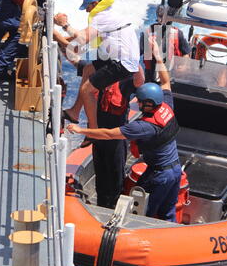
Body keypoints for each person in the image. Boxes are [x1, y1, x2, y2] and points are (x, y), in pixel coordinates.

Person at [67, 36, 182, 222]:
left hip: (160, 173)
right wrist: (158, 56)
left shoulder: (144, 126)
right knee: (166, 212)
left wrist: (82, 131)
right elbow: (166, 82)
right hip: (173, 169)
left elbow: (110, 134)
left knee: (143, 213)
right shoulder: (167, 105)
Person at [54, 0, 140, 128]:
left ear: (94, 4)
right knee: (88, 70)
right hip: (119, 58)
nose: (87, 11)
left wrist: (64, 25)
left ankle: (93, 130)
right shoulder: (109, 15)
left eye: (87, 7)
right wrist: (62, 39)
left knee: (87, 90)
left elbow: (81, 39)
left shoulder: (102, 17)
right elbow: (81, 41)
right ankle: (75, 112)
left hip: (122, 63)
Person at [92, 65, 145, 209]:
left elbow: (139, 81)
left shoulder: (125, 82)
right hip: (99, 136)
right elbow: (81, 64)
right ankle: (100, 204)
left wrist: (135, 62)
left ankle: (114, 208)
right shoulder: (99, 78)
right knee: (100, 173)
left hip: (116, 138)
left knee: (115, 176)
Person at [142, 4, 190, 82]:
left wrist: (184, 65)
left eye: (164, 17)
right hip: (151, 74)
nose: (162, 20)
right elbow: (137, 53)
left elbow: (186, 53)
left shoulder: (178, 33)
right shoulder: (147, 33)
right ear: (157, 16)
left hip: (171, 74)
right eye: (160, 16)